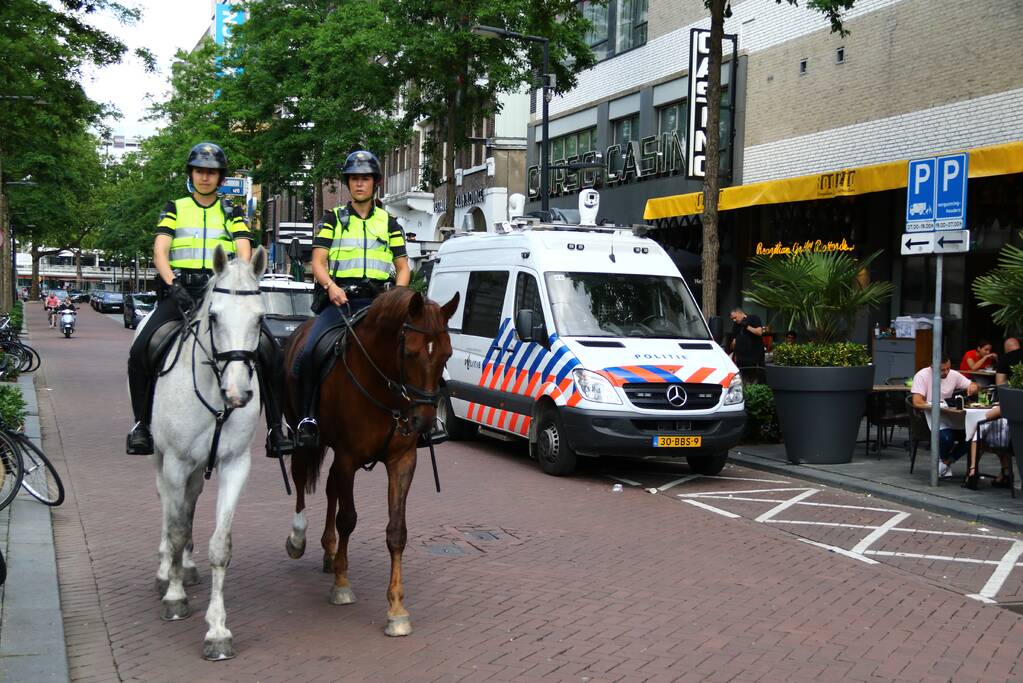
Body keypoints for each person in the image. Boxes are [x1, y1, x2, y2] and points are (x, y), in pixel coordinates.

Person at [125, 142, 294, 457]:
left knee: (271, 351)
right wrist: (172, 282)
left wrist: (238, 274)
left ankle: (275, 429)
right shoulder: (175, 207)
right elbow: (160, 250)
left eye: (212, 172)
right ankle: (142, 426)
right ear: (192, 174)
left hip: (221, 294)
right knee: (141, 349)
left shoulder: (232, 211)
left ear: (219, 177)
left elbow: (244, 248)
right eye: (200, 171)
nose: (205, 177)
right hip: (181, 293)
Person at [293, 150, 411, 448]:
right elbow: (318, 262)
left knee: (413, 352)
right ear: (348, 183)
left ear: (375, 183)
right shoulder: (332, 219)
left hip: (376, 304)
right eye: (355, 179)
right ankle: (307, 418)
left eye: (366, 179)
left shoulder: (389, 222)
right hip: (340, 302)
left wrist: (396, 296)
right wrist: (331, 287)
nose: (360, 184)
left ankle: (414, 418)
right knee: (309, 354)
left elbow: (403, 268)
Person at [911, 354, 978, 479]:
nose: (946, 372)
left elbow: (972, 384)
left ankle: (945, 463)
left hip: (949, 416)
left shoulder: (953, 374)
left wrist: (973, 386)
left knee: (972, 435)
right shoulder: (922, 375)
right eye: (942, 370)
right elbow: (917, 402)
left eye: (948, 368)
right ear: (932, 367)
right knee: (947, 437)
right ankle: (942, 463)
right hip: (928, 417)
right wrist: (938, 407)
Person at [963, 405, 1012, 490]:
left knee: (978, 435)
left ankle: (972, 470)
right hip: (1012, 440)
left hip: (1000, 440)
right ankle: (1005, 473)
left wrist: (996, 408)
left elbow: (988, 415)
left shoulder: (1010, 402)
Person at [728, 308, 765, 381]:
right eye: (732, 319)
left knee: (755, 377)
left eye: (735, 318)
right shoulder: (736, 325)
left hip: (754, 356)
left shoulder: (753, 318)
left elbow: (759, 332)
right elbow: (734, 340)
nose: (734, 320)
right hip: (741, 358)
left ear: (739, 313)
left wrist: (747, 326)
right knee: (743, 379)